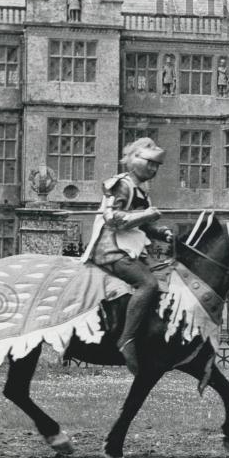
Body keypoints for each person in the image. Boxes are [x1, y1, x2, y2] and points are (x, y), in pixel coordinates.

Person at [80, 138, 172, 375]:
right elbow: (112, 218)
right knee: (148, 283)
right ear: (135, 160)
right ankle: (126, 340)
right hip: (110, 249)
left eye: (156, 165)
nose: (153, 169)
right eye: (150, 163)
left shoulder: (142, 191)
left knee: (164, 275)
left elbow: (142, 226)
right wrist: (146, 215)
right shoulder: (122, 185)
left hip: (130, 248)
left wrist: (161, 232)